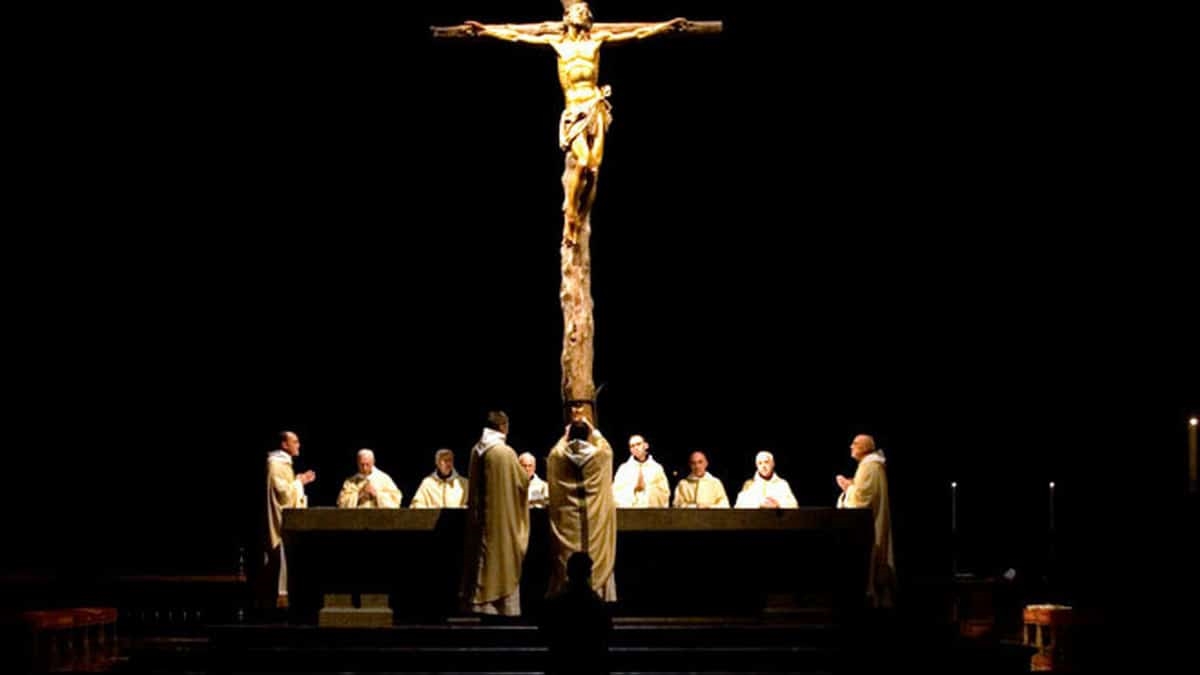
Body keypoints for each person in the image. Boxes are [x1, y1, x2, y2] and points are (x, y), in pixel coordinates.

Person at [462, 2, 688, 242]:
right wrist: (485, 30)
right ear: (566, 17)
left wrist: (666, 26)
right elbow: (515, 36)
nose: (581, 13)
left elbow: (638, 33)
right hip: (574, 110)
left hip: (595, 107)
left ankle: (580, 218)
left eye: (584, 10)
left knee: (593, 169)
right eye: (576, 10)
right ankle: (570, 212)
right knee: (581, 161)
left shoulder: (596, 41)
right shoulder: (558, 43)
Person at [460, 411, 530, 616]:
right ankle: (498, 605)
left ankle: (477, 603)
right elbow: (522, 482)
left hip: (480, 519)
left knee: (481, 559)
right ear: (503, 427)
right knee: (500, 560)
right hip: (501, 521)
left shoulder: (477, 450)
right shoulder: (504, 453)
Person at [547, 402, 617, 600]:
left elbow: (555, 451)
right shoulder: (601, 456)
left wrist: (564, 436)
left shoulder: (558, 457)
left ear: (569, 435)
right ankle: (599, 595)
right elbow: (606, 447)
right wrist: (593, 431)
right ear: (588, 435)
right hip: (593, 521)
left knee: (568, 558)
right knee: (594, 557)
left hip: (569, 522)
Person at [836, 434, 896, 608]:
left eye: (855, 443)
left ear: (865, 448)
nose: (851, 446)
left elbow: (862, 499)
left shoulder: (870, 466)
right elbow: (863, 491)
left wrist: (848, 488)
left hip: (868, 525)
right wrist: (851, 485)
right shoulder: (870, 466)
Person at [262, 430, 315, 610]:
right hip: (281, 521)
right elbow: (283, 494)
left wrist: (298, 481)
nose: (298, 445)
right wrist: (301, 482)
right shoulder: (276, 465)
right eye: (295, 441)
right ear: (284, 445)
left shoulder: (284, 464)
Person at [540, 552, 612, 675]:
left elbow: (545, 631)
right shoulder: (597, 604)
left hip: (562, 664)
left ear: (568, 572)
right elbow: (607, 632)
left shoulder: (557, 602)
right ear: (589, 573)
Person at [612, 434, 670, 507]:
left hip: (651, 512)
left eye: (638, 444)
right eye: (632, 446)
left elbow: (664, 494)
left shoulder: (656, 468)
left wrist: (648, 489)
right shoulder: (624, 469)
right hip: (630, 513)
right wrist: (633, 489)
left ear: (646, 445)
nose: (636, 448)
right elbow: (616, 493)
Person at [336, 448, 403, 508]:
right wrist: (359, 495)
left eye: (367, 464)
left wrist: (376, 495)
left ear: (373, 462)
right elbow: (341, 504)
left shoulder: (384, 479)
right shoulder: (350, 482)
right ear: (357, 463)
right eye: (362, 464)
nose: (364, 468)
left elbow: (396, 502)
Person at [734, 451, 799, 509]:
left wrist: (778, 505)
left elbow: (794, 505)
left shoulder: (782, 484)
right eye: (760, 463)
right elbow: (738, 506)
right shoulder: (749, 484)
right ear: (757, 466)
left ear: (773, 464)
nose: (763, 466)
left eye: (766, 462)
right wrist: (759, 504)